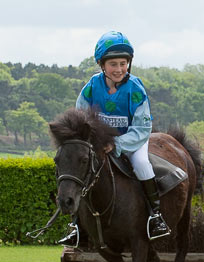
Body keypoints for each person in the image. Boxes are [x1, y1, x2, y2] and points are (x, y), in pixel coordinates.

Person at [58, 31, 170, 247]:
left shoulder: (135, 89)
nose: (119, 69)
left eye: (123, 63)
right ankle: (76, 226)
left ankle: (156, 217)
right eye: (113, 64)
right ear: (102, 65)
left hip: (132, 139)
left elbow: (142, 127)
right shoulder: (91, 87)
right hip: (98, 144)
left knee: (142, 164)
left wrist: (117, 144)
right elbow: (80, 119)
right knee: (81, 172)